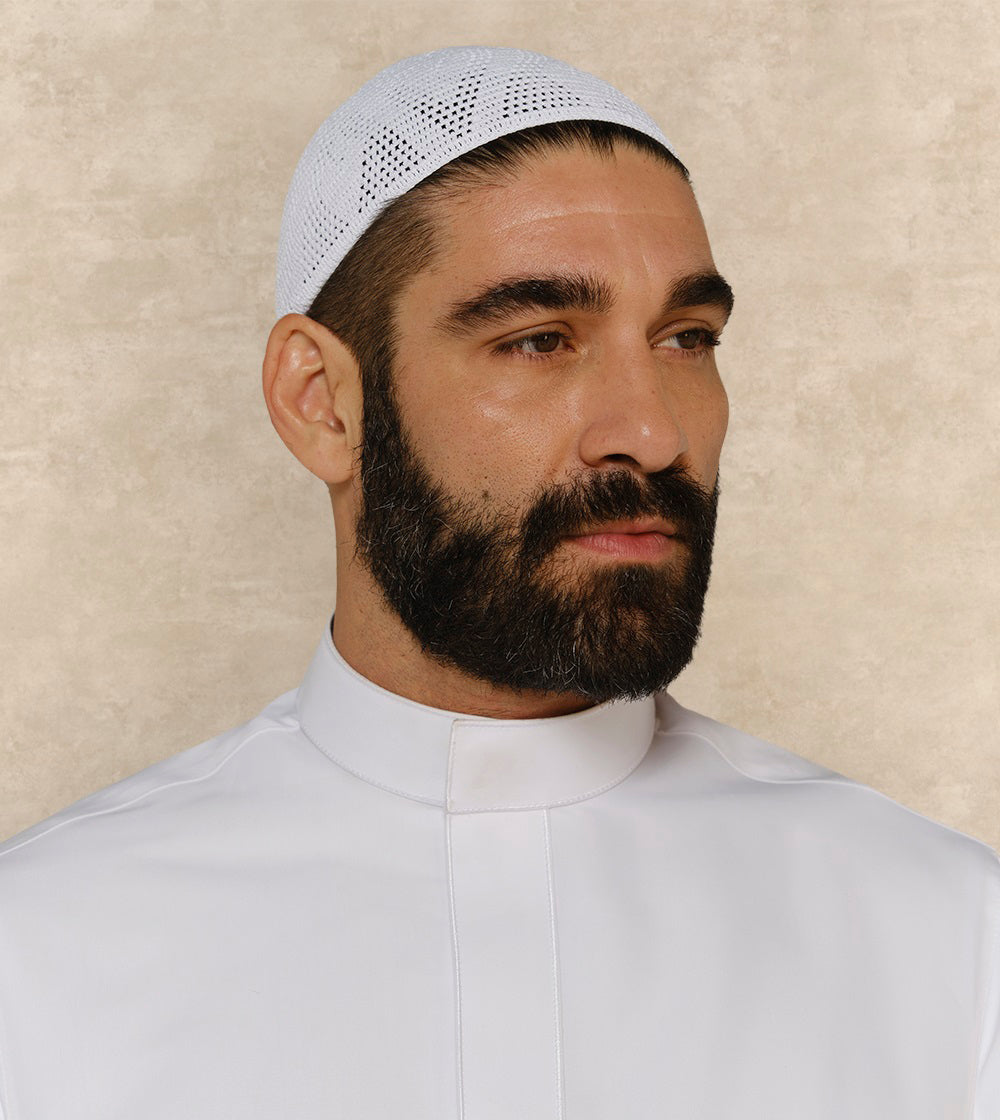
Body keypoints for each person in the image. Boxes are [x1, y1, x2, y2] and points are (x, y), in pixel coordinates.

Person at [0, 45, 996, 1120]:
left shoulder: (947, 939)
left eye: (685, 338)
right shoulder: (43, 955)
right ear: (321, 402)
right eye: (538, 341)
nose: (652, 433)